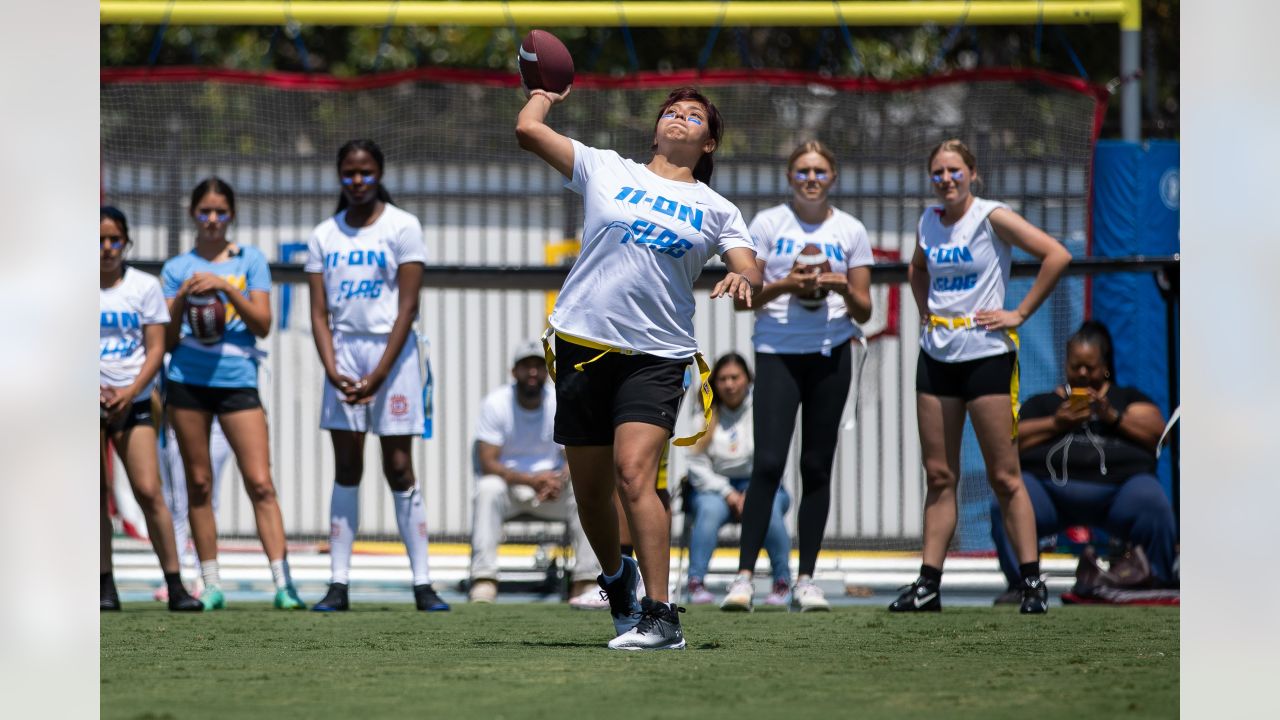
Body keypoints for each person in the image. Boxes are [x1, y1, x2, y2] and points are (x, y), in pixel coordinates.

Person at [517, 84, 762, 650]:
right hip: (582, 343)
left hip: (658, 354)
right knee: (590, 492)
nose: (679, 117)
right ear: (655, 130)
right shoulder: (607, 168)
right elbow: (528, 131)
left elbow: (750, 267)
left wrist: (743, 276)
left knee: (634, 475)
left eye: (694, 114)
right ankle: (615, 579)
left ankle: (662, 615)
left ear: (710, 142)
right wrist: (543, 92)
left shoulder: (717, 207)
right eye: (670, 111)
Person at [890, 139, 1071, 614]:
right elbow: (916, 268)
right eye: (938, 172)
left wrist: (1020, 313)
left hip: (986, 354)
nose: (946, 179)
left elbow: (1056, 255)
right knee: (940, 474)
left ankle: (1032, 582)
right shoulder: (929, 220)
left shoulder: (991, 216)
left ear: (972, 173)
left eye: (954, 170)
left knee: (1005, 476)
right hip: (936, 356)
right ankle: (928, 585)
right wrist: (926, 311)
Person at [721, 140, 873, 613]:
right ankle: (744, 578)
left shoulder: (850, 230)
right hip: (777, 353)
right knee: (766, 464)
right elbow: (745, 297)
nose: (811, 178)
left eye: (820, 171)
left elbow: (864, 309)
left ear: (833, 177)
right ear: (790, 177)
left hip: (830, 353)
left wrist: (838, 285)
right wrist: (789, 282)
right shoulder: (769, 224)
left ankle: (806, 578)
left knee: (815, 466)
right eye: (803, 171)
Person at [306, 140, 448, 613]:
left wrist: (381, 373)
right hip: (344, 356)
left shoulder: (403, 226)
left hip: (395, 356)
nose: (357, 181)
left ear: (379, 173)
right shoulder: (324, 235)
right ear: (339, 176)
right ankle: (338, 584)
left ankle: (424, 584)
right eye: (349, 173)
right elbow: (320, 313)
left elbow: (408, 307)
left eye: (365, 172)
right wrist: (333, 369)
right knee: (347, 468)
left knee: (400, 467)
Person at [161, 177, 305, 611]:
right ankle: (211, 583)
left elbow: (262, 323)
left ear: (231, 215)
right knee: (198, 484)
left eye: (219, 212)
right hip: (187, 380)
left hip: (238, 380)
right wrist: (181, 298)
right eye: (204, 211)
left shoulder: (251, 260)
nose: (211, 219)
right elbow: (165, 340)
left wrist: (226, 288)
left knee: (260, 482)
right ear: (193, 214)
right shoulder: (176, 268)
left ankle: (284, 584)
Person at [989, 320, 1177, 601]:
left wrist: (1111, 416)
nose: (1082, 373)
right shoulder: (1044, 403)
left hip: (1118, 495)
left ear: (1105, 367)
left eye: (1090, 367)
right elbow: (1009, 441)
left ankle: (1153, 579)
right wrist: (1056, 422)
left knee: (1152, 501)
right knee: (1007, 497)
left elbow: (1158, 432)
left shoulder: (1125, 399)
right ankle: (1023, 583)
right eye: (1075, 366)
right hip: (1050, 495)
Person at [99, 206, 202, 612]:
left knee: (148, 490)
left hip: (134, 401)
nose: (107, 248)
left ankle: (175, 584)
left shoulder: (144, 286)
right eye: (99, 241)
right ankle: (105, 585)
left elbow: (156, 347)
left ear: (126, 243)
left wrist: (130, 391)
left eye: (114, 240)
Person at [469, 339, 603, 608]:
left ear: (546, 370)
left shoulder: (560, 401)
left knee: (585, 490)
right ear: (514, 371)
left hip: (552, 490)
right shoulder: (496, 403)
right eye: (525, 366)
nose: (532, 373)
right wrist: (531, 480)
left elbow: (574, 455)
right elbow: (487, 462)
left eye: (537, 367)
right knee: (487, 488)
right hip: (512, 489)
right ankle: (484, 579)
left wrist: (559, 479)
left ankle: (586, 580)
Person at [686, 353, 793, 605]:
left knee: (770, 509)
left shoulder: (764, 410)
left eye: (735, 377)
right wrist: (728, 493)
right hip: (715, 490)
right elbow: (696, 467)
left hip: (761, 485)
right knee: (709, 511)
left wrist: (754, 491)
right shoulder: (703, 415)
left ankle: (782, 583)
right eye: (722, 379)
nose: (729, 384)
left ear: (748, 379)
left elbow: (776, 458)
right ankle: (695, 583)